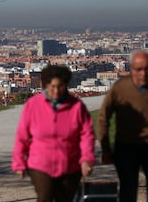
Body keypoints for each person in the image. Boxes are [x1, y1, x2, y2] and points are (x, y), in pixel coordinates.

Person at [97, 50, 148, 202]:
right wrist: (106, 149)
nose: (143, 73)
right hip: (126, 146)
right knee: (128, 188)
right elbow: (103, 118)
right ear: (131, 69)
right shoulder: (120, 87)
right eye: (138, 69)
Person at [12, 64, 95, 202]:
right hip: (41, 164)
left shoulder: (76, 106)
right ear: (45, 85)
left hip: (70, 164)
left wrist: (87, 159)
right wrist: (19, 162)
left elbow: (86, 135)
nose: (56, 91)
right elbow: (22, 136)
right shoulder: (33, 105)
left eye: (60, 86)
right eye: (52, 87)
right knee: (45, 197)